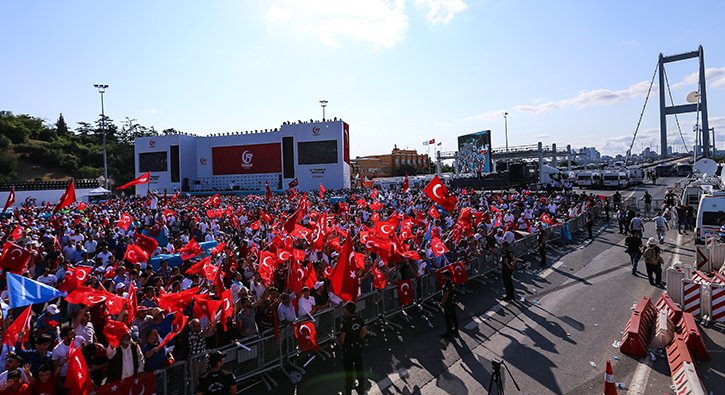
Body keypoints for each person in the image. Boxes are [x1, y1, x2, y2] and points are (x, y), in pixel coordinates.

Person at [339, 301, 367, 395]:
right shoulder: (359, 319)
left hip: (348, 349)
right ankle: (361, 387)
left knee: (349, 369)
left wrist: (341, 345)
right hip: (357, 346)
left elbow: (342, 338)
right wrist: (358, 337)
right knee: (359, 367)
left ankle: (348, 390)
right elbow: (364, 331)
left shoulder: (345, 322)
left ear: (347, 310)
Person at [439, 271, 459, 338]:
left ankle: (449, 332)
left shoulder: (448, 284)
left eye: (443, 275)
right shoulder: (451, 282)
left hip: (449, 303)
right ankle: (456, 330)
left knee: (448, 318)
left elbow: (446, 295)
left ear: (447, 276)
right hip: (453, 302)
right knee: (454, 316)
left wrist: (441, 303)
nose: (442, 276)